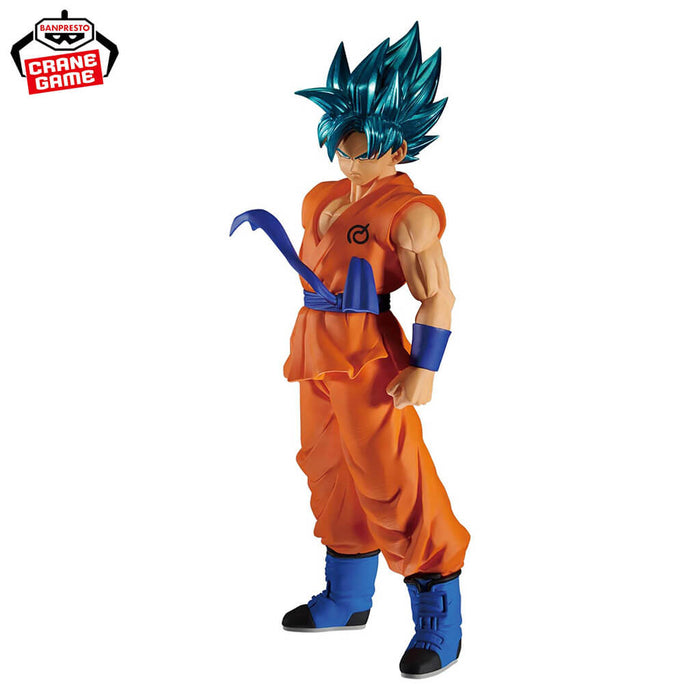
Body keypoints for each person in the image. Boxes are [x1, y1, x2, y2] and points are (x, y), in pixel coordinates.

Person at [233, 23, 470, 678]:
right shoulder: (321, 199)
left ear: (399, 143)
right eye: (341, 141)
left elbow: (438, 295)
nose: (348, 157)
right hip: (314, 346)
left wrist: (425, 367)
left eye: (362, 146)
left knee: (394, 480)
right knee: (328, 469)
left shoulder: (411, 214)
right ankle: (347, 597)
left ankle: (439, 613)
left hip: (370, 355)